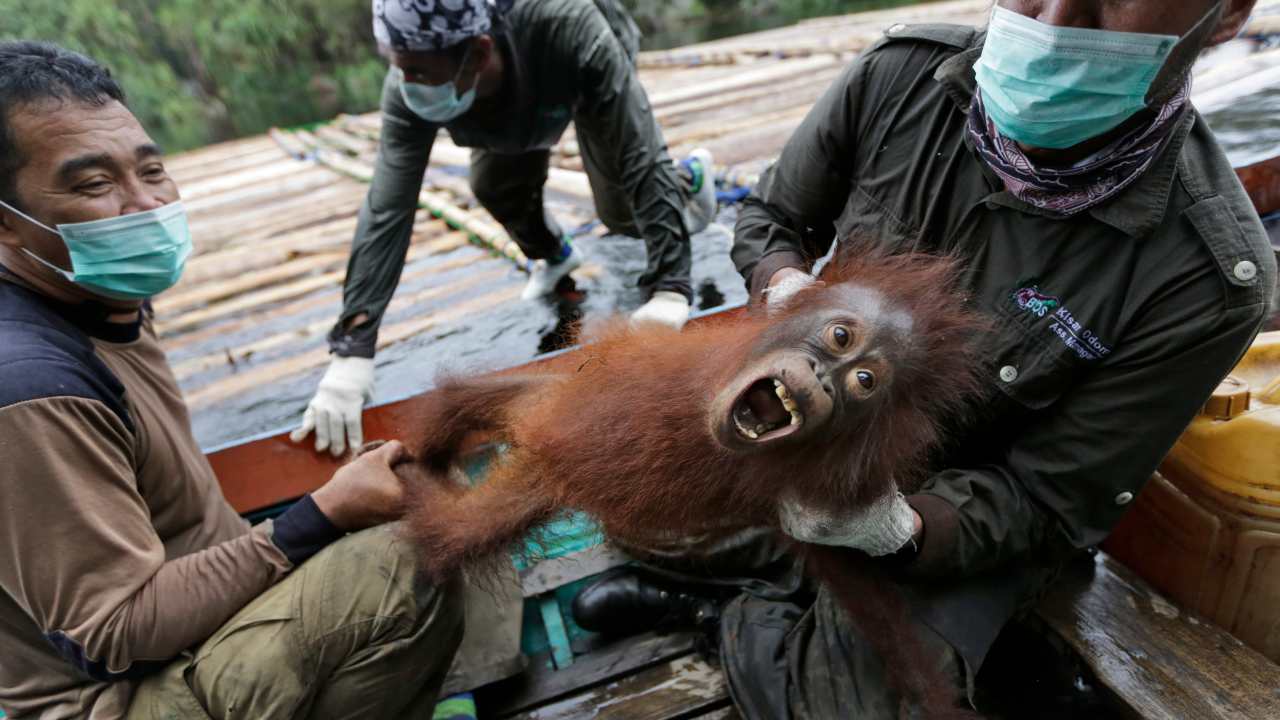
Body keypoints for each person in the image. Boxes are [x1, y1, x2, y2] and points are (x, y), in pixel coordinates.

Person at [574, 1, 1275, 717]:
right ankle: (764, 579)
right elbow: (772, 218)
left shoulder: (1205, 279)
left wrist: (902, 530)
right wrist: (786, 288)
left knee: (854, 709)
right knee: (629, 500)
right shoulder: (900, 75)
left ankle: (727, 622)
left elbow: (1051, 501)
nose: (1056, 19)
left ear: (1226, 16)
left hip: (965, 518)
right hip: (817, 437)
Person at [0, 42, 463, 719]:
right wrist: (321, 516)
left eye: (151, 170)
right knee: (407, 557)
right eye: (94, 185)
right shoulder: (29, 387)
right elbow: (112, 637)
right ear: (6, 223)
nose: (144, 204)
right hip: (119, 698)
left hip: (202, 633)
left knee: (441, 497)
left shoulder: (103, 295)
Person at [292, 0, 718, 456]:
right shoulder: (412, 82)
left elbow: (638, 154)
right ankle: (556, 255)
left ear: (477, 52)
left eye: (417, 71)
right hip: (498, 97)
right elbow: (388, 206)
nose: (405, 83)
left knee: (621, 211)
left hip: (571, 68)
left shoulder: (569, 26)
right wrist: (353, 346)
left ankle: (687, 179)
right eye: (399, 68)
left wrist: (670, 287)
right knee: (494, 187)